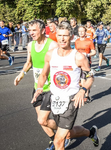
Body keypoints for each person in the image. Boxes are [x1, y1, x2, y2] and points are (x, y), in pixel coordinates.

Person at [31, 22, 99, 150]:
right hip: (53, 95)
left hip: (70, 98)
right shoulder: (50, 54)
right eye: (60, 35)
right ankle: (90, 133)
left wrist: (83, 90)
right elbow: (44, 74)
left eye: (65, 36)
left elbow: (90, 76)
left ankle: (62, 132)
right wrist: (39, 88)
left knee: (58, 141)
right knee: (43, 121)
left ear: (71, 37)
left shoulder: (78, 57)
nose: (62, 39)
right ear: (56, 35)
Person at [13, 20, 65, 150]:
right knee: (40, 119)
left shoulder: (52, 45)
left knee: (43, 120)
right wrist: (22, 74)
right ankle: (55, 139)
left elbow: (60, 65)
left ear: (42, 30)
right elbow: (29, 62)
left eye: (34, 30)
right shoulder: (30, 45)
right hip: (37, 88)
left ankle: (62, 133)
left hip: (51, 89)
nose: (31, 33)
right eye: (30, 31)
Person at [75, 26, 96, 103]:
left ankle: (86, 95)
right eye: (79, 31)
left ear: (85, 32)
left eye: (82, 31)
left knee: (84, 80)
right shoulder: (76, 41)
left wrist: (87, 55)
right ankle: (85, 92)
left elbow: (94, 52)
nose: (81, 33)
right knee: (81, 80)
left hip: (87, 63)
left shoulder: (89, 41)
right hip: (78, 63)